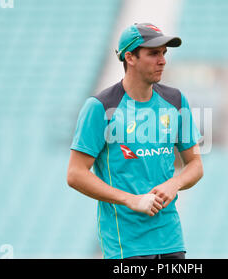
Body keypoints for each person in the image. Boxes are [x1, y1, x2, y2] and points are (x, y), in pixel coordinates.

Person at [67, 23, 204, 259]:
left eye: (164, 53)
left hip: (170, 237)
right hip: (125, 243)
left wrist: (174, 184)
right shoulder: (100, 107)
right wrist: (131, 200)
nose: (162, 60)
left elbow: (195, 165)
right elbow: (75, 174)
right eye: (153, 53)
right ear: (130, 57)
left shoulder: (176, 100)